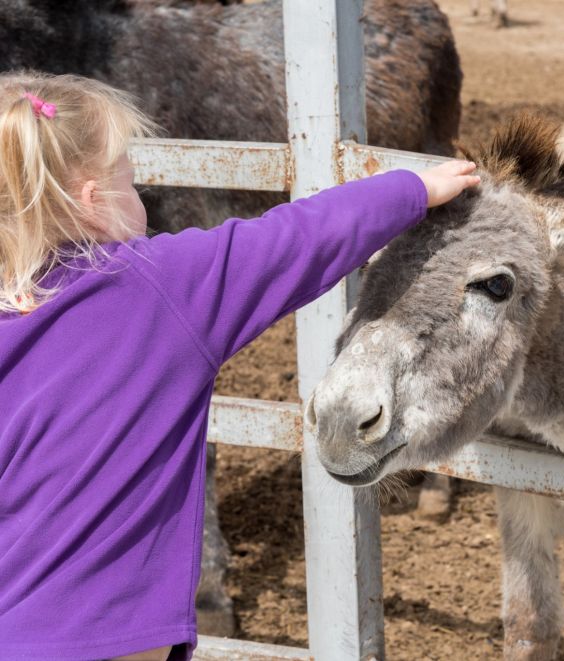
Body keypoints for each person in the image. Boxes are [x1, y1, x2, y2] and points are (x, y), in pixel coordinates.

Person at [0, 71, 480, 661]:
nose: (142, 201)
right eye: (132, 182)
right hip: (110, 631)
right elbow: (295, 239)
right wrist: (411, 189)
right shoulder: (159, 286)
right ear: (94, 201)